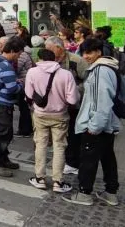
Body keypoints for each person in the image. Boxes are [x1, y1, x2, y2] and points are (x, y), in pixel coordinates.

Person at [63, 38, 121, 206]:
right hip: (106, 122)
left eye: (90, 52)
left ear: (99, 53)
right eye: (84, 53)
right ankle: (110, 192)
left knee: (88, 158)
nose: (86, 56)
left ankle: (84, 193)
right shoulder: (108, 67)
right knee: (107, 157)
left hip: (96, 123)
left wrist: (94, 126)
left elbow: (101, 101)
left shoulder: (100, 71)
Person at [26, 49, 79, 193]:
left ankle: (40, 178)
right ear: (54, 58)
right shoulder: (66, 74)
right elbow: (73, 99)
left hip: (40, 114)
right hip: (60, 115)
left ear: (40, 58)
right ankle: (57, 182)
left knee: (41, 144)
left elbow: (29, 94)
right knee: (59, 147)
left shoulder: (32, 72)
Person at [44, 37, 89, 175]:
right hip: (57, 106)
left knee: (74, 135)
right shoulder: (50, 61)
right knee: (62, 135)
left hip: (74, 105)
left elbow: (88, 81)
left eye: (49, 48)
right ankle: (66, 160)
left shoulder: (77, 61)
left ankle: (73, 163)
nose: (47, 51)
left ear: (59, 48)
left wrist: (73, 90)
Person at [0, 37, 25, 177]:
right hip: (3, 103)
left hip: (2, 102)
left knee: (6, 132)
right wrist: (22, 85)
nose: (19, 57)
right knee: (1, 133)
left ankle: (3, 158)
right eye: (18, 54)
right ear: (11, 51)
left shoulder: (0, 62)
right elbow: (12, 89)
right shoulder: (5, 66)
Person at [15, 43, 35, 138]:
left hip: (24, 83)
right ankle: (25, 129)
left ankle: (25, 130)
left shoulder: (22, 55)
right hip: (25, 82)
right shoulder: (25, 54)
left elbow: (16, 69)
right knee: (24, 107)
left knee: (24, 107)